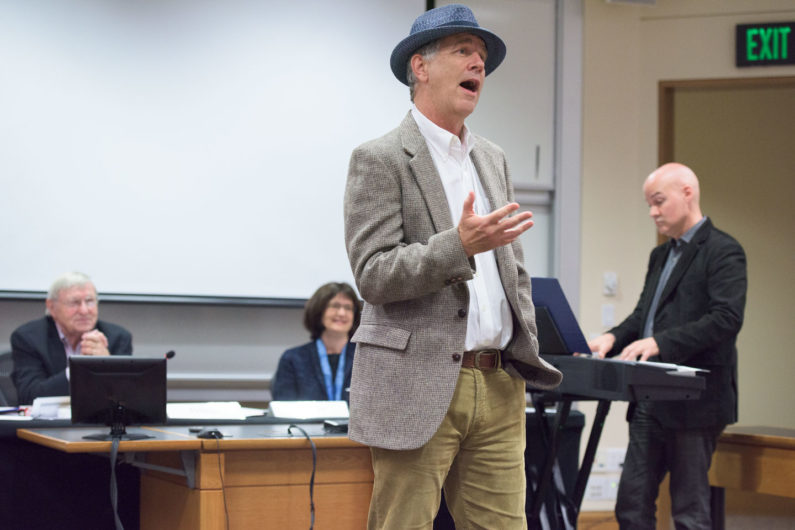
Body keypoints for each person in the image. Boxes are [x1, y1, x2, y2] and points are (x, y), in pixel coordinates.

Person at [343, 5, 562, 528]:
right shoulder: (380, 158)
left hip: (499, 382)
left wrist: (522, 341)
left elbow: (514, 271)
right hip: (415, 382)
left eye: (482, 57)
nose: (478, 66)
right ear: (420, 67)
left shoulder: (493, 158)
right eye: (464, 51)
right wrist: (456, 246)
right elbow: (373, 273)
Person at [588, 163, 747, 529]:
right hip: (649, 401)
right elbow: (643, 316)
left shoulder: (724, 250)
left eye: (658, 201)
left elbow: (726, 319)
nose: (652, 212)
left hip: (697, 405)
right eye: (649, 204)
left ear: (687, 192)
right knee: (630, 505)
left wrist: (661, 343)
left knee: (689, 513)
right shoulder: (660, 256)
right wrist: (612, 337)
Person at [11, 271, 133, 405]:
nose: (84, 311)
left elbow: (127, 399)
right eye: (74, 303)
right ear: (52, 307)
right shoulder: (28, 338)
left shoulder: (117, 337)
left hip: (98, 423)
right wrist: (77, 369)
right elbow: (29, 396)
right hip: (47, 425)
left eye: (90, 301)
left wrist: (107, 365)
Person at [271, 282, 361, 403]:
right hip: (309, 423)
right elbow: (284, 409)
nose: (341, 313)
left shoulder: (365, 358)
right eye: (335, 306)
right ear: (319, 311)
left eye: (348, 308)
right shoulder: (293, 359)